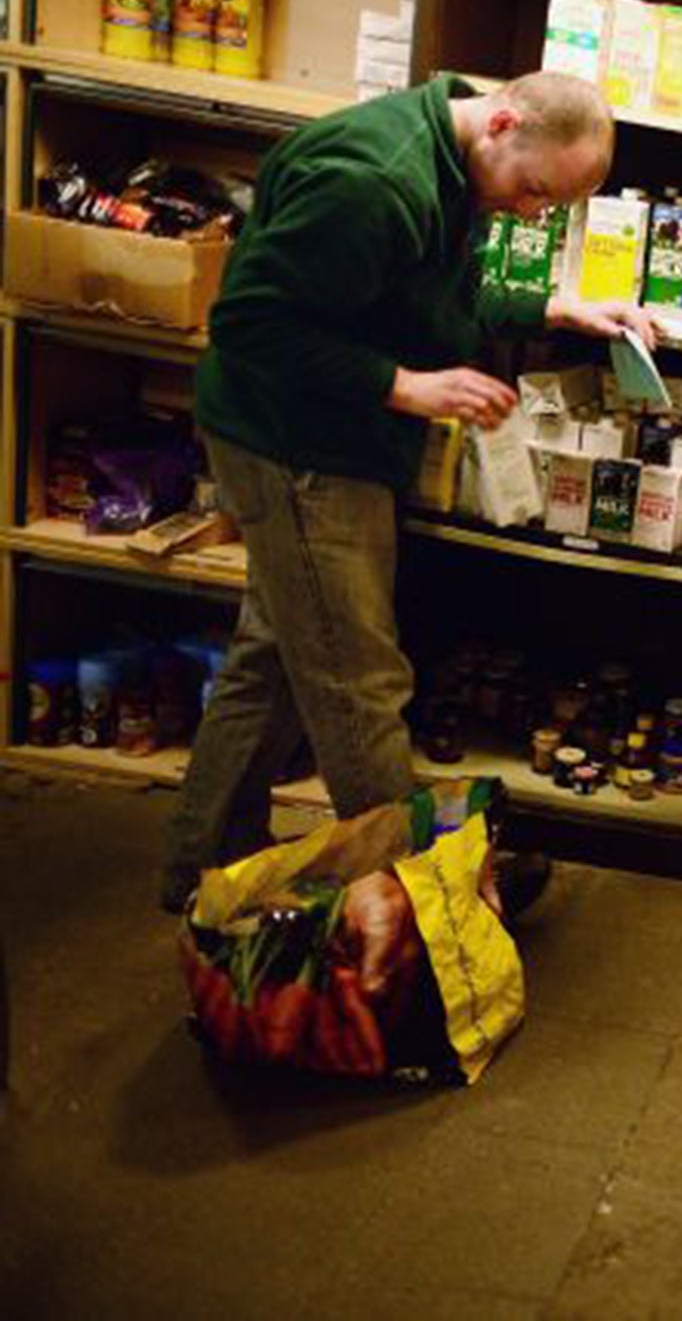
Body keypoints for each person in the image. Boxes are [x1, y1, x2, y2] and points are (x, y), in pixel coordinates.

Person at [161, 71, 655, 915]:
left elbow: (429, 301)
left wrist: (560, 308)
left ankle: (205, 873)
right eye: (535, 191)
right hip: (297, 448)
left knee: (276, 657)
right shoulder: (375, 181)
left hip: (326, 437)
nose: (534, 213)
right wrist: (404, 387)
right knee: (359, 679)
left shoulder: (455, 163)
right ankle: (431, 903)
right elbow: (247, 323)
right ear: (501, 122)